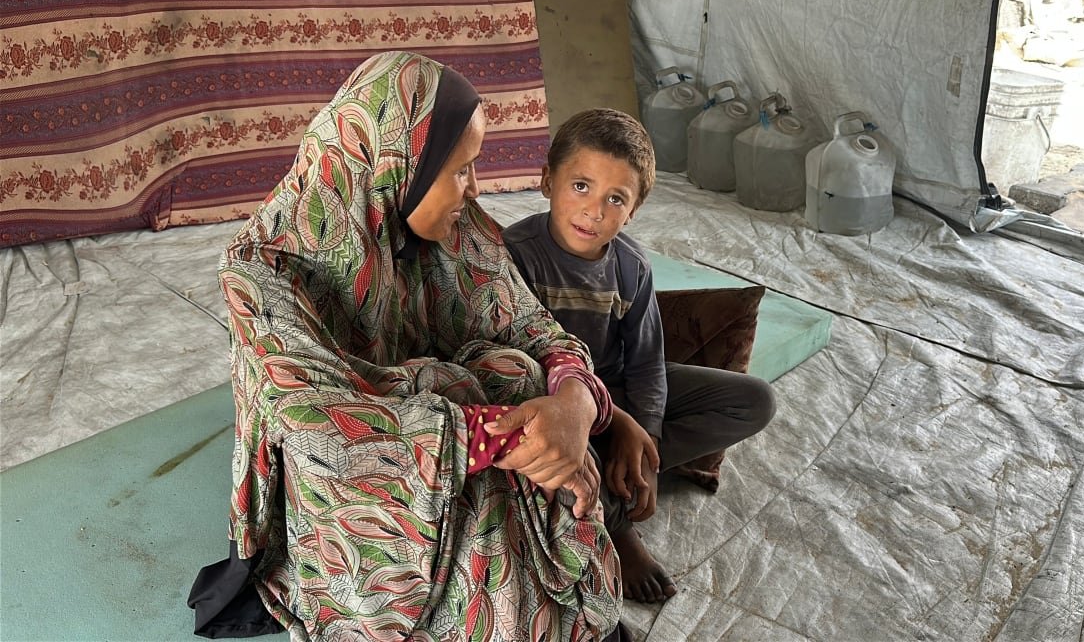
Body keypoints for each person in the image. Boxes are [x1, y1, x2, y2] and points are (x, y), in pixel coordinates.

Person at [188, 52, 627, 642]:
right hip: (359, 491)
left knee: (518, 371)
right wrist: (509, 434)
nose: (474, 189)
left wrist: (574, 403)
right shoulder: (263, 269)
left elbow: (532, 327)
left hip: (459, 438)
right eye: (461, 169)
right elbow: (320, 426)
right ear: (399, 163)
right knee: (482, 405)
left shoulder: (455, 230)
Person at [502, 108, 777, 604]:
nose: (595, 211)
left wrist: (646, 440)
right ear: (546, 180)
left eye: (615, 199)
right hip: (553, 404)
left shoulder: (631, 267)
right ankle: (618, 521)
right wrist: (611, 419)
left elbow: (648, 363)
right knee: (563, 456)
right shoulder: (515, 253)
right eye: (580, 186)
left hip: (615, 390)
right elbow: (514, 360)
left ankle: (626, 471)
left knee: (754, 401)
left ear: (634, 211)